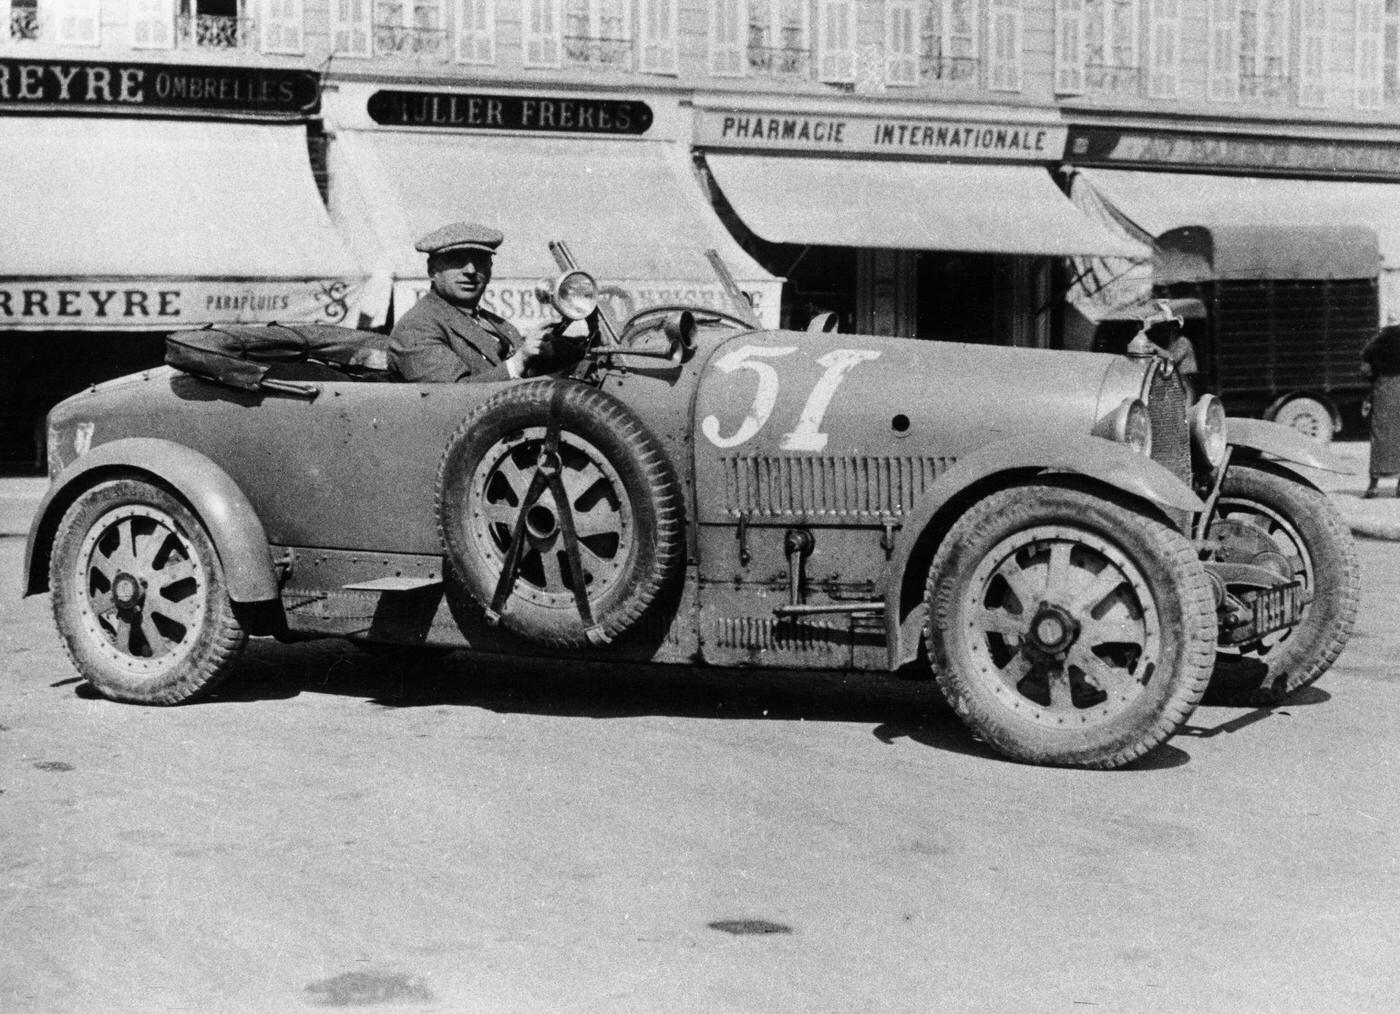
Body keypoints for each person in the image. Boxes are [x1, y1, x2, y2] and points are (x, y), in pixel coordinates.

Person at [388, 222, 574, 383]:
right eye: (457, 260)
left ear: (490, 269)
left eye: (479, 260)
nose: (470, 270)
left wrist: (546, 346)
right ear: (432, 270)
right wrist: (518, 362)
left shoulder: (495, 323)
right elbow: (450, 397)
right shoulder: (416, 328)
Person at [1362, 323, 1400, 498]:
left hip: (1383, 389)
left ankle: (1373, 486)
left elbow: (1366, 369)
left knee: (1380, 436)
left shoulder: (1378, 339)